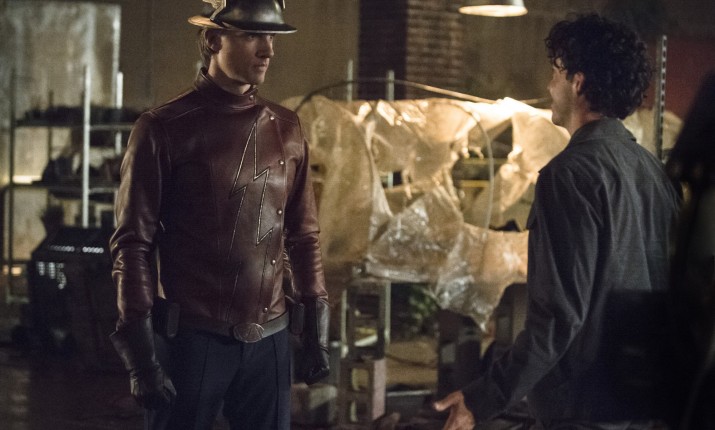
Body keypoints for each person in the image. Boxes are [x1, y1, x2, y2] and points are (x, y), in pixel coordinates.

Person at [434, 13, 680, 430]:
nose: (550, 86)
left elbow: (558, 317)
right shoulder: (653, 172)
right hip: (641, 403)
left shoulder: (568, 175)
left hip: (584, 409)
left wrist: (482, 398)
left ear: (578, 83)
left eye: (556, 72)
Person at [108, 1, 330, 429]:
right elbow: (133, 245)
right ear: (213, 40)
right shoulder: (163, 128)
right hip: (193, 340)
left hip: (270, 341)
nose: (268, 50)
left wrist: (316, 332)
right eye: (252, 36)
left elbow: (304, 236)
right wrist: (141, 357)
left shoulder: (286, 128)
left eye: (272, 37)